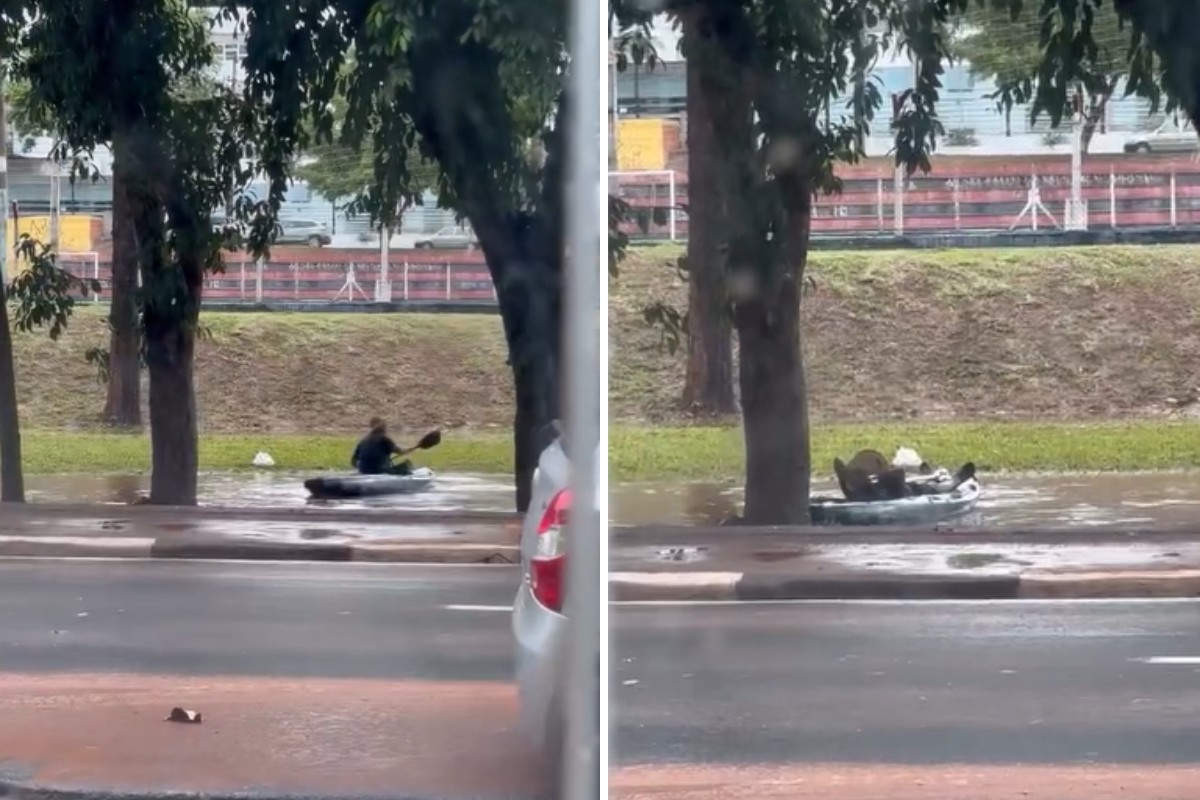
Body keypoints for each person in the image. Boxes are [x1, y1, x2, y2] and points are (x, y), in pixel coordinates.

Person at [834, 449, 975, 502]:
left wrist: (880, 474)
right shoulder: (855, 490)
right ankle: (934, 477)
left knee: (937, 488)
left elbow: (898, 474)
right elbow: (845, 480)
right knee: (924, 486)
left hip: (911, 492)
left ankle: (954, 481)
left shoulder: (885, 484)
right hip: (903, 488)